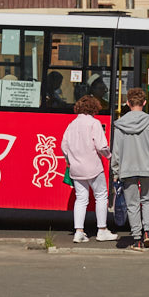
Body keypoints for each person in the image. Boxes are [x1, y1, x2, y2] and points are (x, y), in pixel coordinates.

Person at [111, 87, 149, 251]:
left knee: (132, 204)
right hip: (147, 167)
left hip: (127, 168)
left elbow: (116, 152)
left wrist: (115, 171)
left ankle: (136, 239)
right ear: (145, 103)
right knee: (147, 200)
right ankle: (148, 232)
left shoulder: (120, 124)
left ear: (127, 103)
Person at [61, 95, 115, 243]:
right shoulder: (94, 123)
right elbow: (101, 146)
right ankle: (102, 230)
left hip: (76, 168)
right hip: (93, 167)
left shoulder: (72, 124)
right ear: (94, 108)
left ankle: (79, 232)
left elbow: (64, 146)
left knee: (81, 199)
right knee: (101, 196)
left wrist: (70, 159)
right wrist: (109, 156)